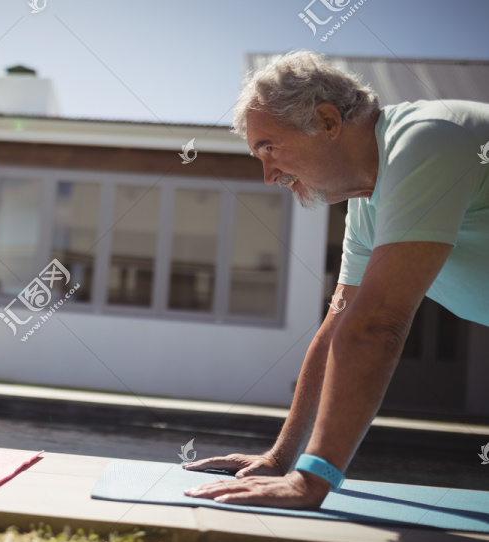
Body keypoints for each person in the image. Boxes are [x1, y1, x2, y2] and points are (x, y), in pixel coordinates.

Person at [185, 51, 489, 509]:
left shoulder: (427, 140)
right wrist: (280, 459)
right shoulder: (369, 201)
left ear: (328, 121)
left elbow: (378, 325)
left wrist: (312, 480)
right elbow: (336, 333)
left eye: (269, 148)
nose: (269, 176)